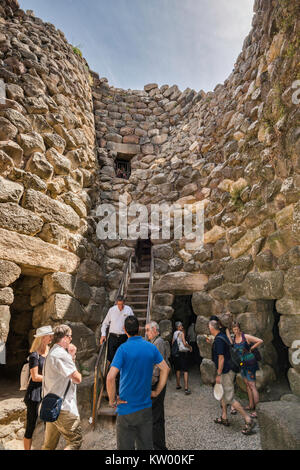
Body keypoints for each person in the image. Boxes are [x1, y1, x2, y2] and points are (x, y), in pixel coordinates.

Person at [106, 316, 170, 450]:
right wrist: (157, 391)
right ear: (139, 329)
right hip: (145, 407)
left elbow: (110, 378)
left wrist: (112, 400)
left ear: (124, 330)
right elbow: (165, 369)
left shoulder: (122, 349)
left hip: (126, 408)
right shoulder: (150, 348)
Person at [209, 320, 255, 435]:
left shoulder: (219, 340)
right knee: (223, 394)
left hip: (226, 371)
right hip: (229, 369)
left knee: (229, 398)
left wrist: (218, 375)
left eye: (209, 326)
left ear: (212, 328)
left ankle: (248, 419)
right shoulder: (222, 336)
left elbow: (221, 358)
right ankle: (224, 417)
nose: (208, 328)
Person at [41, 325, 83, 450]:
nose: (71, 339)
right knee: (75, 441)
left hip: (51, 404)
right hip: (63, 407)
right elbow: (77, 378)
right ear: (64, 338)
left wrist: (71, 355)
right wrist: (71, 356)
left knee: (49, 446)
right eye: (70, 337)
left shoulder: (52, 352)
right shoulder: (60, 355)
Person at [23, 326, 54, 450]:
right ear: (43, 338)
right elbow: (35, 377)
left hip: (47, 392)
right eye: (49, 335)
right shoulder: (34, 355)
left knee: (49, 424)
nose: (51, 337)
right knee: (31, 425)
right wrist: (51, 378)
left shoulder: (50, 351)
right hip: (35, 394)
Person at [145, 321, 169, 451]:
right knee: (156, 415)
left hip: (157, 383)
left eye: (148, 330)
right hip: (157, 382)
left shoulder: (158, 343)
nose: (147, 332)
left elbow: (157, 367)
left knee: (156, 416)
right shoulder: (155, 342)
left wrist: (151, 382)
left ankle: (159, 447)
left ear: (155, 330)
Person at [232, 322, 263, 418]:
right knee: (247, 384)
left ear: (239, 328)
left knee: (252, 385)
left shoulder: (245, 336)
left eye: (236, 329)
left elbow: (260, 341)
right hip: (242, 364)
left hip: (250, 363)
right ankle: (251, 405)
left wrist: (251, 348)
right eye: (233, 329)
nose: (235, 331)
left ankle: (257, 410)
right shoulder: (233, 339)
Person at [100, 295, 134, 363]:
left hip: (124, 337)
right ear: (116, 303)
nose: (120, 307)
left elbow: (133, 322)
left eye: (121, 304)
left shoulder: (128, 309)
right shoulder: (112, 310)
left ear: (124, 303)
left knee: (124, 358)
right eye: (118, 304)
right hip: (113, 337)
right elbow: (105, 323)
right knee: (112, 359)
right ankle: (114, 373)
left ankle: (122, 373)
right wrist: (103, 334)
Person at [172, 321, 192, 395]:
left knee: (177, 369)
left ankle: (178, 385)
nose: (182, 327)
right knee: (185, 370)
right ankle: (186, 388)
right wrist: (190, 347)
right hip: (182, 353)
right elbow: (184, 343)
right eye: (181, 326)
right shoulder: (181, 333)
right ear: (178, 327)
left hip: (176, 354)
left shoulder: (174, 333)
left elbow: (172, 343)